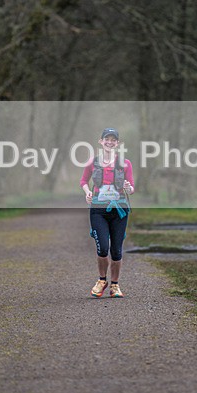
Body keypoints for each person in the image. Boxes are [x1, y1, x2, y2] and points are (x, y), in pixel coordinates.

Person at [80, 127, 135, 298]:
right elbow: (83, 181)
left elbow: (132, 188)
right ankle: (102, 280)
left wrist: (128, 187)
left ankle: (115, 286)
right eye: (107, 139)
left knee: (116, 250)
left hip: (119, 210)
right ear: (101, 141)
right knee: (103, 248)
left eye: (113, 140)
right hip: (98, 210)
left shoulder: (125, 164)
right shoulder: (92, 162)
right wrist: (87, 192)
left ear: (118, 143)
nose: (110, 142)